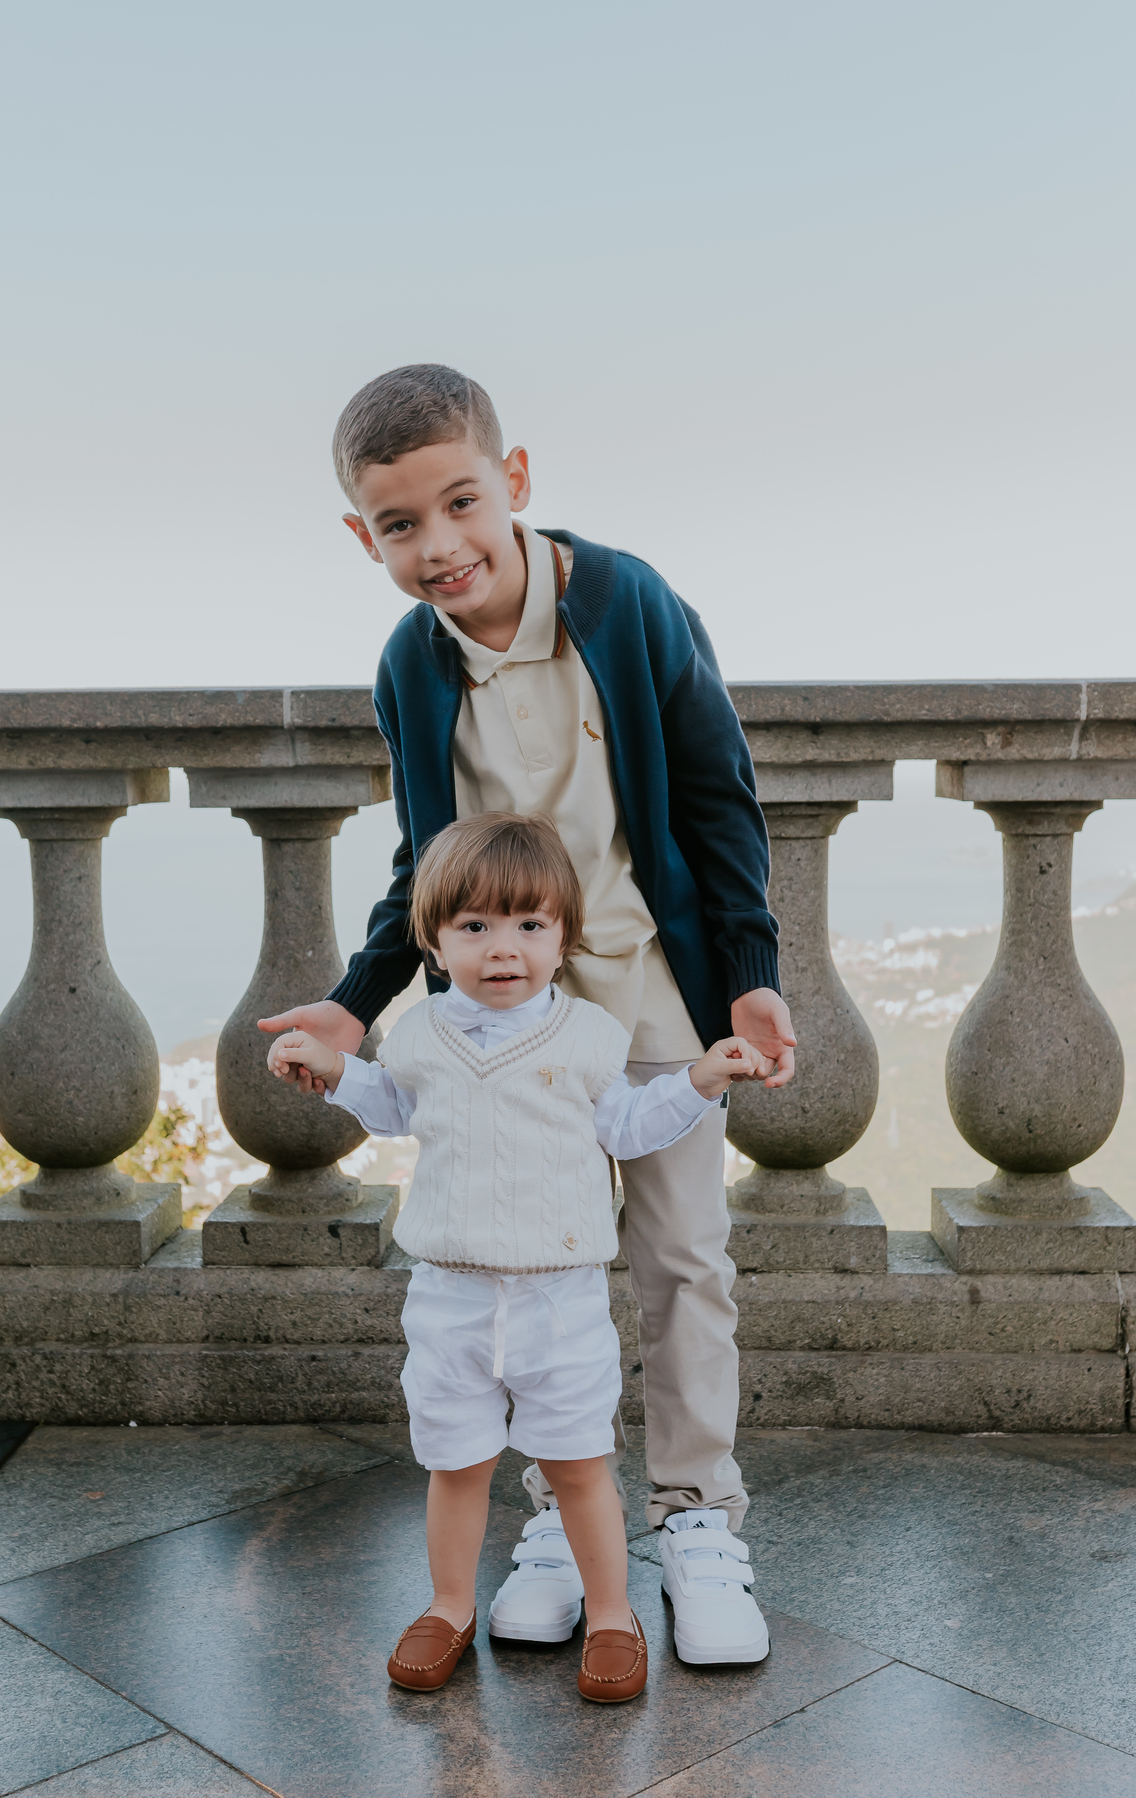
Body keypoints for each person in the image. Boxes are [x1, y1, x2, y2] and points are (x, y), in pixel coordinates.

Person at [259, 363, 796, 1668]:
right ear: (364, 537)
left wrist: (749, 968)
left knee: (681, 1259)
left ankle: (697, 1516)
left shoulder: (628, 602)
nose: (438, 545)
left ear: (513, 479)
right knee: (525, 1264)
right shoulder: (410, 661)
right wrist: (354, 1003)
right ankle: (565, 1512)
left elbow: (718, 800)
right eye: (399, 524)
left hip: (651, 983)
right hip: (506, 1010)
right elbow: (426, 865)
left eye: (460, 503)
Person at [267, 814, 774, 1699]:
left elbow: (628, 1125)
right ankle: (448, 1605)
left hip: (559, 1298)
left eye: (529, 925)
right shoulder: (419, 1035)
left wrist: (699, 1079)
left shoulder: (587, 1037)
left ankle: (611, 1617)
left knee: (578, 1464)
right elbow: (395, 1106)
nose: (504, 948)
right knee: (456, 1463)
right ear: (434, 942)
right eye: (475, 926)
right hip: (450, 1296)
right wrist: (335, 1070)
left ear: (563, 938)